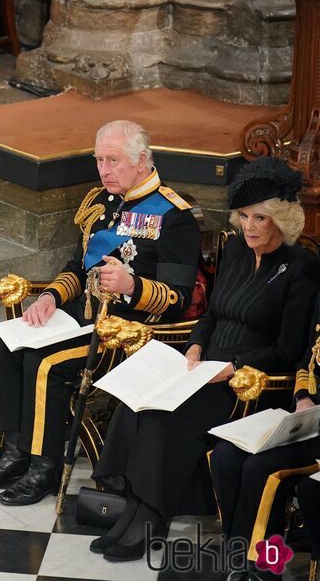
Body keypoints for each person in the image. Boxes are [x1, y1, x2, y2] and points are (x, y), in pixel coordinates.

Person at [91, 156, 319, 563]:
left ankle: (152, 517)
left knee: (165, 417)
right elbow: (211, 314)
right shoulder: (233, 252)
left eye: (260, 218)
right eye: (243, 216)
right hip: (204, 366)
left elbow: (288, 349)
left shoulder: (301, 268)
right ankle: (134, 508)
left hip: (249, 383)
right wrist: (195, 347)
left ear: (282, 220)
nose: (248, 227)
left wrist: (230, 366)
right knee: (135, 403)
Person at [0, 120, 202, 506]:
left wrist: (132, 287)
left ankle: (44, 468)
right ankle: (15, 454)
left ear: (142, 161)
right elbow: (78, 266)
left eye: (113, 161)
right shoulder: (101, 202)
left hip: (123, 333)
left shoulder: (173, 216)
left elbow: (178, 298)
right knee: (5, 344)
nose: (104, 170)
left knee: (46, 364)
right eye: (99, 160)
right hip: (79, 317)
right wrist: (52, 298)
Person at [210, 290, 320, 581]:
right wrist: (303, 398)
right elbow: (307, 360)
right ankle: (238, 552)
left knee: (260, 468)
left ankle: (265, 567)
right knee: (225, 455)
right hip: (308, 419)